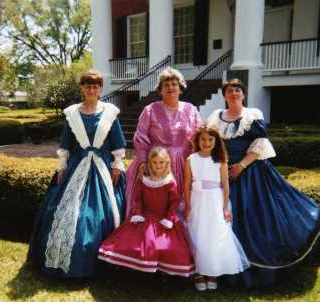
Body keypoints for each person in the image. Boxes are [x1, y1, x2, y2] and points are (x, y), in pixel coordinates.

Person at [206, 79, 320, 288]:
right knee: (223, 220)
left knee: (255, 219)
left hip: (251, 173)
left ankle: (256, 273)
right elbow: (209, 144)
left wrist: (241, 166)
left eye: (238, 90)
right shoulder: (215, 117)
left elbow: (260, 144)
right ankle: (225, 269)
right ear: (224, 95)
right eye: (230, 90)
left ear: (243, 94)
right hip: (222, 174)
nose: (234, 93)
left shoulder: (253, 115)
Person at [27, 69, 126, 278]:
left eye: (96, 86)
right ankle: (60, 259)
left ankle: (105, 262)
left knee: (97, 216)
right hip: (76, 168)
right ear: (81, 88)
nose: (92, 89)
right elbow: (65, 144)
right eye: (88, 86)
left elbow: (117, 143)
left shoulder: (110, 112)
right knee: (62, 211)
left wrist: (117, 164)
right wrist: (61, 168)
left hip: (103, 171)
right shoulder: (72, 114)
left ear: (100, 89)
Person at [98, 147, 195, 277]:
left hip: (163, 219)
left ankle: (161, 271)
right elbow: (137, 200)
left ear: (167, 163)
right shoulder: (143, 180)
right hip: (145, 217)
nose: (158, 165)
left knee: (167, 246)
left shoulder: (170, 182)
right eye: (155, 162)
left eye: (161, 162)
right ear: (150, 163)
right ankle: (135, 269)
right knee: (131, 242)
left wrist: (169, 218)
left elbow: (174, 202)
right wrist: (137, 213)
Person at [125, 68, 201, 216]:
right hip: (157, 164)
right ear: (160, 90)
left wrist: (199, 162)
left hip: (184, 164)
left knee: (181, 205)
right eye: (166, 85)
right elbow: (140, 138)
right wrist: (142, 162)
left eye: (174, 84)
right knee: (154, 206)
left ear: (180, 88)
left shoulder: (191, 110)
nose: (171, 87)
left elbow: (198, 136)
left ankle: (179, 235)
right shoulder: (150, 110)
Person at [184, 125, 250, 291]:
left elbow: (225, 184)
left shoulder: (220, 160)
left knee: (213, 235)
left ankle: (212, 271)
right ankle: (199, 272)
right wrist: (187, 205)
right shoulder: (191, 159)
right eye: (203, 139)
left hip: (214, 201)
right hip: (197, 200)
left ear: (216, 141)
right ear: (197, 140)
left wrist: (225, 207)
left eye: (210, 139)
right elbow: (186, 185)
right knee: (197, 234)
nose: (206, 142)